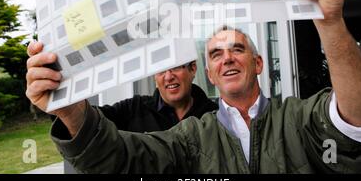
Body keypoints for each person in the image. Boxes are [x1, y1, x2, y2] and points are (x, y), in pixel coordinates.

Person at [26, 0, 361, 173]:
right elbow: (121, 160)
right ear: (209, 75)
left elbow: (359, 122)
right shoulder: (190, 137)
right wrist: (72, 110)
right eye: (216, 54)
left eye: (237, 49)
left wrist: (331, 23)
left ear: (258, 64)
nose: (227, 58)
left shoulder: (298, 118)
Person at [26, 43, 218, 133]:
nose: (168, 76)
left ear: (193, 68)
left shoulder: (217, 116)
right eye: (160, 69)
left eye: (175, 66)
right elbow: (92, 125)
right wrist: (62, 97)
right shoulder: (132, 110)